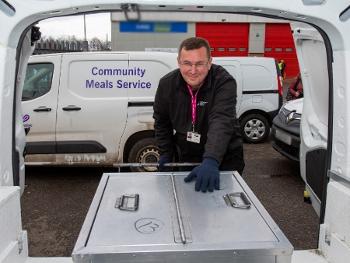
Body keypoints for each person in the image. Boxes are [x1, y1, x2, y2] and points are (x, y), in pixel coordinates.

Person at [153, 37, 245, 193]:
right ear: (179, 62)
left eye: (199, 64)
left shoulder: (224, 82)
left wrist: (211, 159)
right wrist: (166, 153)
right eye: (187, 63)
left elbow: (221, 120)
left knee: (220, 206)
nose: (193, 71)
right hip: (187, 155)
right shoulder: (166, 84)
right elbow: (162, 122)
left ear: (209, 63)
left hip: (222, 158)